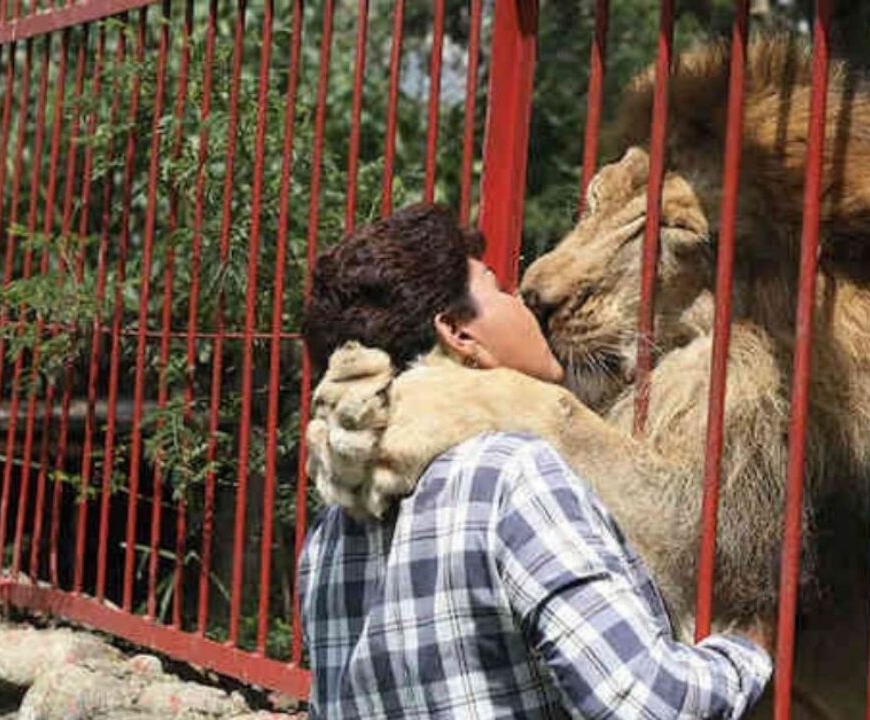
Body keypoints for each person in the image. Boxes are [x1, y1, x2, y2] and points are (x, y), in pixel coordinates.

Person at [298, 203, 772, 718]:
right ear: (458, 333)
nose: (529, 295)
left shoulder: (327, 536)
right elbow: (645, 704)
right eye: (500, 289)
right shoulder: (514, 475)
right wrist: (748, 648)